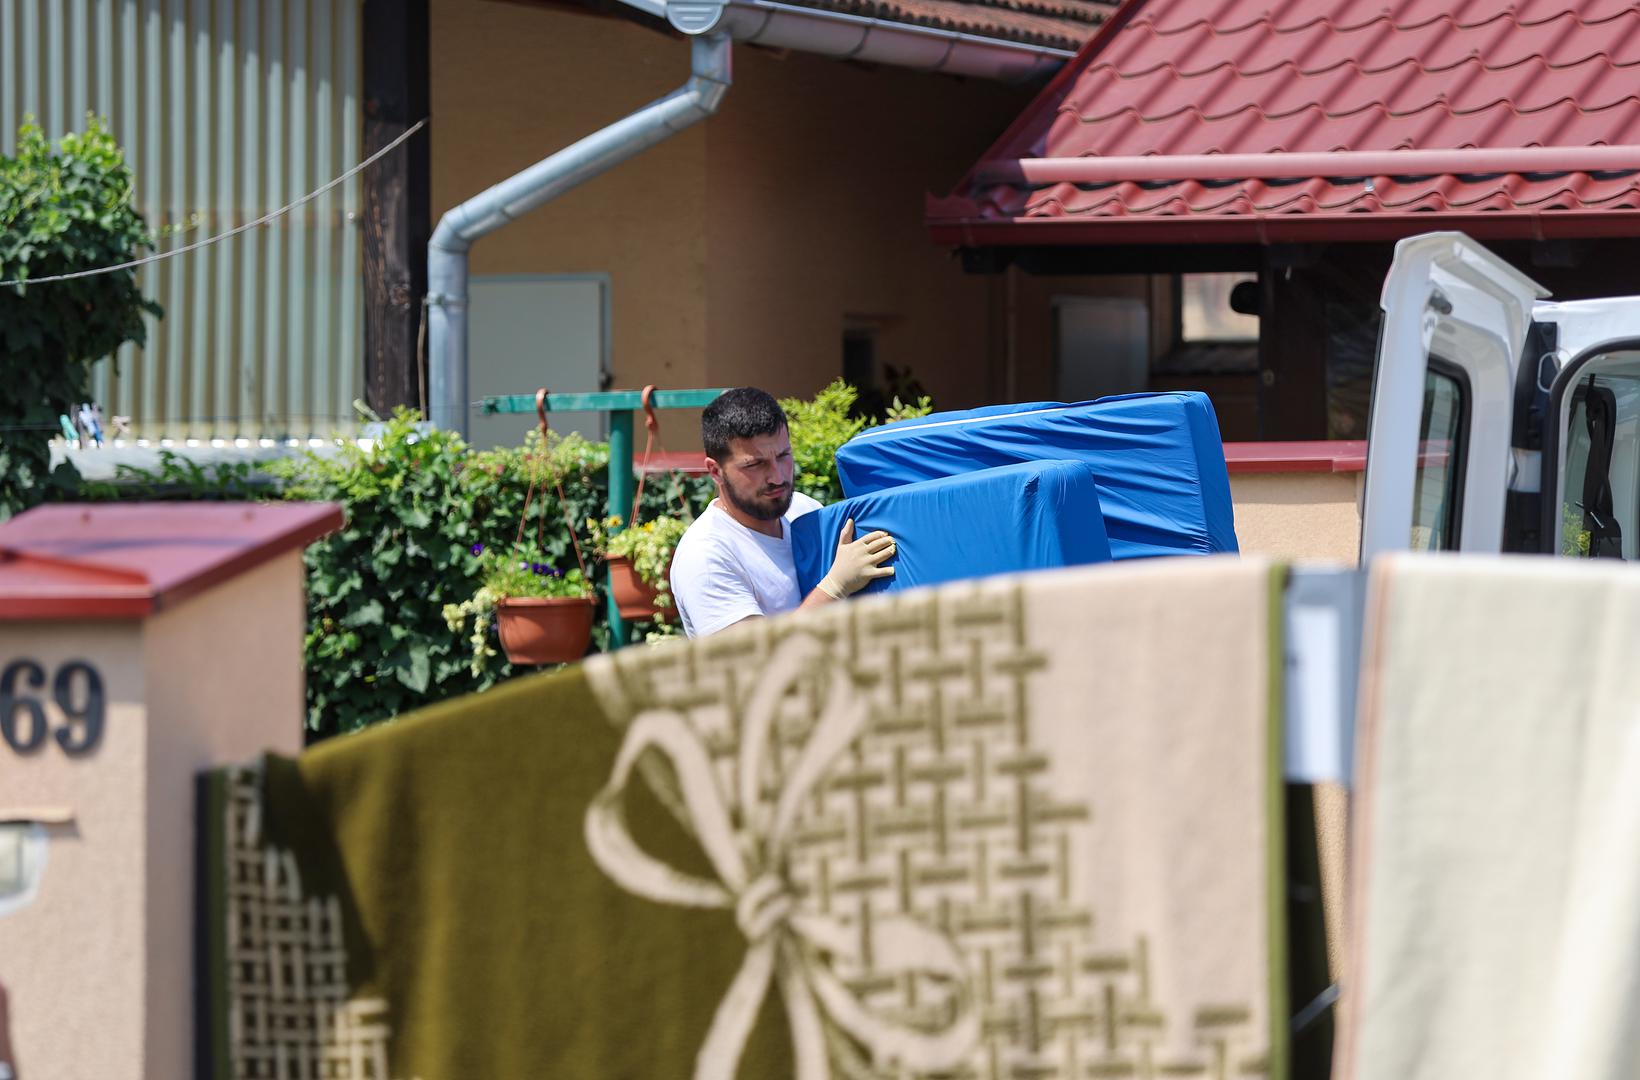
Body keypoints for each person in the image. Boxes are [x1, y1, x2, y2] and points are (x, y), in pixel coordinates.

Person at [670, 387, 897, 637]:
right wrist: (834, 588)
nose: (777, 477)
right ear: (715, 471)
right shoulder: (706, 557)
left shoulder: (803, 509)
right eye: (755, 464)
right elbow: (752, 661)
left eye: (783, 455)